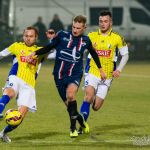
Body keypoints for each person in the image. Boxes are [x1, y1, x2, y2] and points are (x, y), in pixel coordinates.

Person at [27, 15, 106, 138]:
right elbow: (50, 46)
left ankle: (72, 128)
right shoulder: (62, 35)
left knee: (71, 95)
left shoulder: (86, 40)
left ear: (84, 27)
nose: (75, 30)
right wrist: (35, 53)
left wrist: (101, 70)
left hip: (75, 74)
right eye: (74, 27)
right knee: (70, 107)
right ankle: (82, 122)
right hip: (59, 75)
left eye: (78, 28)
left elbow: (94, 53)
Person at [79, 10, 129, 133]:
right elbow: (78, 46)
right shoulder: (91, 36)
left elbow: (125, 54)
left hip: (107, 77)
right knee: (88, 96)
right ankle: (81, 126)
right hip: (92, 72)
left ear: (110, 23)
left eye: (105, 21)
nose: (102, 24)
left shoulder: (117, 38)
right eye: (101, 21)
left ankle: (89, 105)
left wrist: (119, 69)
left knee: (96, 107)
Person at [0, 26, 45, 143]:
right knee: (9, 92)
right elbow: (2, 54)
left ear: (36, 37)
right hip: (16, 77)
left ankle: (3, 133)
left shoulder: (41, 51)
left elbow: (56, 52)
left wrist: (53, 39)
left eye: (31, 36)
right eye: (26, 36)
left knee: (19, 117)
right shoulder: (17, 46)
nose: (28, 38)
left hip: (29, 85)